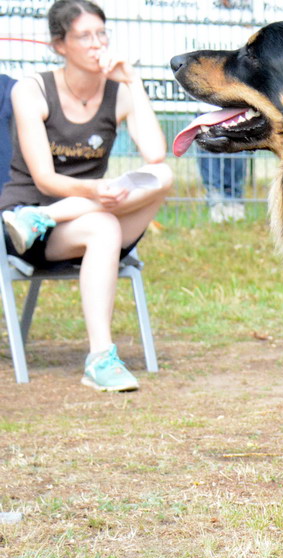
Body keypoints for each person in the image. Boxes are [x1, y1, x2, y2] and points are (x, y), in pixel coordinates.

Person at [0, 0, 172, 392]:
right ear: (60, 46)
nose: (97, 44)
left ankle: (55, 216)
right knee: (102, 226)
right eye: (84, 36)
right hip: (28, 224)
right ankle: (100, 358)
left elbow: (155, 154)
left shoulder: (117, 91)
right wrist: (96, 190)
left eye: (101, 33)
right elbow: (44, 179)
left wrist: (133, 81)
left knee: (161, 175)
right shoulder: (33, 91)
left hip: (93, 211)